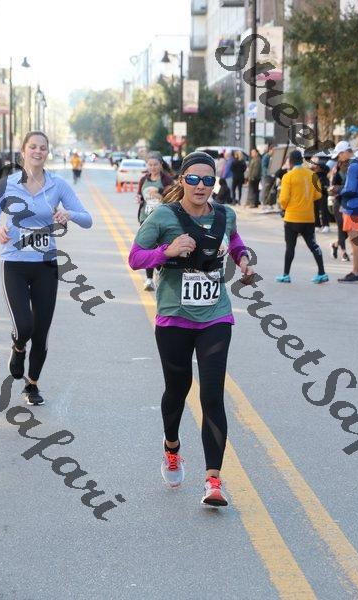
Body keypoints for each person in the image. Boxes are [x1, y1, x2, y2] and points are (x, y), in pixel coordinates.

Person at [128, 151, 254, 507]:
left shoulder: (225, 214)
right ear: (182, 179)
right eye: (194, 179)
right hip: (174, 317)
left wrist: (243, 259)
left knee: (212, 395)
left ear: (215, 183)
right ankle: (172, 448)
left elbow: (234, 240)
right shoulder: (163, 216)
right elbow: (136, 258)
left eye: (208, 180)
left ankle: (213, 480)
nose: (201, 186)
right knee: (177, 388)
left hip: (216, 316)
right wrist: (167, 251)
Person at [0, 131, 92, 405]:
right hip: (14, 264)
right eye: (32, 147)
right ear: (23, 151)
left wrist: (68, 214)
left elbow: (87, 219)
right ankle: (18, 346)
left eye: (42, 148)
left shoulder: (57, 185)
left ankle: (32, 385)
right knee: (24, 326)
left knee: (41, 330)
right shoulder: (8, 184)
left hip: (46, 266)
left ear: (47, 152)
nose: (38, 151)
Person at [276, 150, 328, 284]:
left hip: (292, 217)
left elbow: (284, 199)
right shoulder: (312, 175)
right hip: (308, 217)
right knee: (313, 245)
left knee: (290, 247)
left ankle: (286, 275)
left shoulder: (288, 176)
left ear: (290, 161)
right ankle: (322, 273)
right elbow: (318, 195)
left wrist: (284, 207)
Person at [330, 141, 358, 283]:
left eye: (340, 155)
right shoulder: (357, 164)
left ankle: (357, 273)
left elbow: (350, 189)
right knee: (356, 240)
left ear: (345, 152)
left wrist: (336, 189)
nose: (339, 158)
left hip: (353, 207)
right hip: (357, 205)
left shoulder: (353, 166)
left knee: (355, 240)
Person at [136, 152, 174, 291]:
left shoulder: (167, 180)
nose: (152, 167)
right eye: (150, 165)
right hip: (146, 218)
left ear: (161, 164)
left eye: (155, 164)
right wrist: (139, 198)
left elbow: (172, 198)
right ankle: (149, 279)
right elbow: (140, 196)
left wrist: (159, 194)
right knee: (148, 248)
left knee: (161, 249)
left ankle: (160, 272)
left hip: (163, 219)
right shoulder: (143, 180)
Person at [329, 159, 350, 262]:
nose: (346, 165)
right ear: (340, 164)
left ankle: (335, 244)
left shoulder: (350, 174)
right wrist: (341, 189)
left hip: (348, 204)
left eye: (347, 163)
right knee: (341, 228)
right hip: (338, 203)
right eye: (344, 163)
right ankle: (344, 253)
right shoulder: (336, 174)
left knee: (348, 230)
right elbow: (331, 189)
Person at [310, 153, 330, 233]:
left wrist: (317, 164)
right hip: (315, 192)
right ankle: (317, 225)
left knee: (324, 209)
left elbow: (326, 168)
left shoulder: (322, 168)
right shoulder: (313, 172)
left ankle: (326, 225)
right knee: (315, 209)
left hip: (323, 192)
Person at [261, 144, 275, 212]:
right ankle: (264, 204)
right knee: (266, 190)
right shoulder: (266, 157)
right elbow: (264, 167)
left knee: (270, 190)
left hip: (271, 175)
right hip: (266, 176)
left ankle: (269, 203)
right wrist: (269, 172)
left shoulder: (272, 157)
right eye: (273, 150)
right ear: (270, 150)